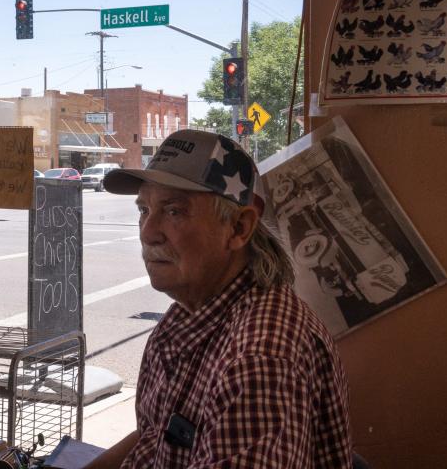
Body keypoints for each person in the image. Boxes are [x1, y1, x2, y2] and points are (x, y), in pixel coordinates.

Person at [87, 129, 352, 469]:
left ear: (239, 228)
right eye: (144, 210)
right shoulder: (187, 315)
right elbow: (154, 434)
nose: (147, 232)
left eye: (174, 211)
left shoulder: (261, 357)